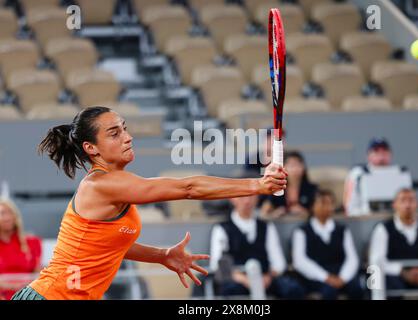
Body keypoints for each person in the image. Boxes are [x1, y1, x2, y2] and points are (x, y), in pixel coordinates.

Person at [11, 106, 288, 300]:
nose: (127, 137)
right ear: (91, 148)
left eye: (125, 129)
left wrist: (162, 256)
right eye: (114, 133)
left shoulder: (113, 186)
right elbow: (187, 188)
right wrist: (257, 184)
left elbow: (110, 244)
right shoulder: (102, 185)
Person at [209, 184, 304, 299]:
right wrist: (245, 280)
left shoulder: (266, 227)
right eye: (242, 197)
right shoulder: (222, 228)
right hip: (238, 281)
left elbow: (279, 263)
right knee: (230, 291)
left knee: (293, 289)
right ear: (232, 199)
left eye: (251, 196)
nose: (247, 201)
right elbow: (217, 264)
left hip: (265, 279)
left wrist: (267, 277)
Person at [369, 188, 418, 299]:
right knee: (380, 276)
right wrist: (403, 272)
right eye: (403, 200)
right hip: (397, 279)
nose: (408, 205)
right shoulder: (382, 229)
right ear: (395, 205)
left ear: (416, 204)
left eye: (411, 200)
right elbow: (377, 260)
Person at [291, 189, 364, 300]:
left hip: (340, 273)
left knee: (357, 288)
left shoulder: (342, 230)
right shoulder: (302, 231)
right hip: (316, 277)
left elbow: (352, 258)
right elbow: (300, 261)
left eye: (331, 203)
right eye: (323, 203)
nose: (328, 207)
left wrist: (343, 278)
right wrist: (326, 277)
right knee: (328, 292)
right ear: (312, 206)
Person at [343, 137, 411, 216]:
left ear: (390, 154)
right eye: (376, 152)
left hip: (395, 217)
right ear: (368, 155)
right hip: (364, 216)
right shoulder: (357, 173)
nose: (381, 156)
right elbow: (349, 205)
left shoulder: (401, 172)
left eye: (384, 152)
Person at [0, 199, 42, 300]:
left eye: (10, 212)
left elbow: (38, 274)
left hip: (27, 296)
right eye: (2, 213)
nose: (7, 217)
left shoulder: (32, 242)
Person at [260, 151, 318, 219]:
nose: (295, 169)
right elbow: (263, 214)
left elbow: (319, 213)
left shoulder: (312, 189)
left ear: (303, 167)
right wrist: (274, 214)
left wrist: (306, 213)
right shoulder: (276, 189)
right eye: (291, 165)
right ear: (284, 168)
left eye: (298, 164)